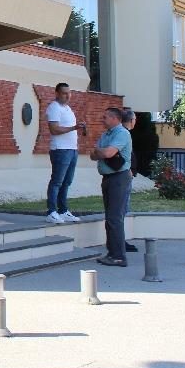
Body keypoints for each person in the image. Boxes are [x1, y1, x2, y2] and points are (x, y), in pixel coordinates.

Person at [91, 106, 134, 267]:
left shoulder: (122, 133)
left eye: (105, 117)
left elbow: (107, 153)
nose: (103, 119)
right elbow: (93, 155)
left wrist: (101, 152)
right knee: (110, 217)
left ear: (115, 119)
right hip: (108, 178)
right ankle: (112, 253)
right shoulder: (106, 135)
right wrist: (101, 152)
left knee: (115, 217)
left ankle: (119, 257)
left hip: (119, 178)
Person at [45, 83, 85, 223]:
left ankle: (63, 211)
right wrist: (74, 127)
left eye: (69, 93)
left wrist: (77, 127)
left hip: (72, 150)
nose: (68, 96)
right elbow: (54, 129)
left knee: (66, 182)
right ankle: (51, 212)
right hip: (60, 150)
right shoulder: (54, 107)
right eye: (64, 93)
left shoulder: (67, 108)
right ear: (57, 93)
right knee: (57, 181)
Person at [121, 107, 139, 252]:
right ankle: (120, 241)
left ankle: (121, 240)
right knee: (122, 209)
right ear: (132, 120)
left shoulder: (123, 133)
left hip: (126, 174)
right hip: (124, 176)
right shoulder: (123, 134)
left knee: (123, 208)